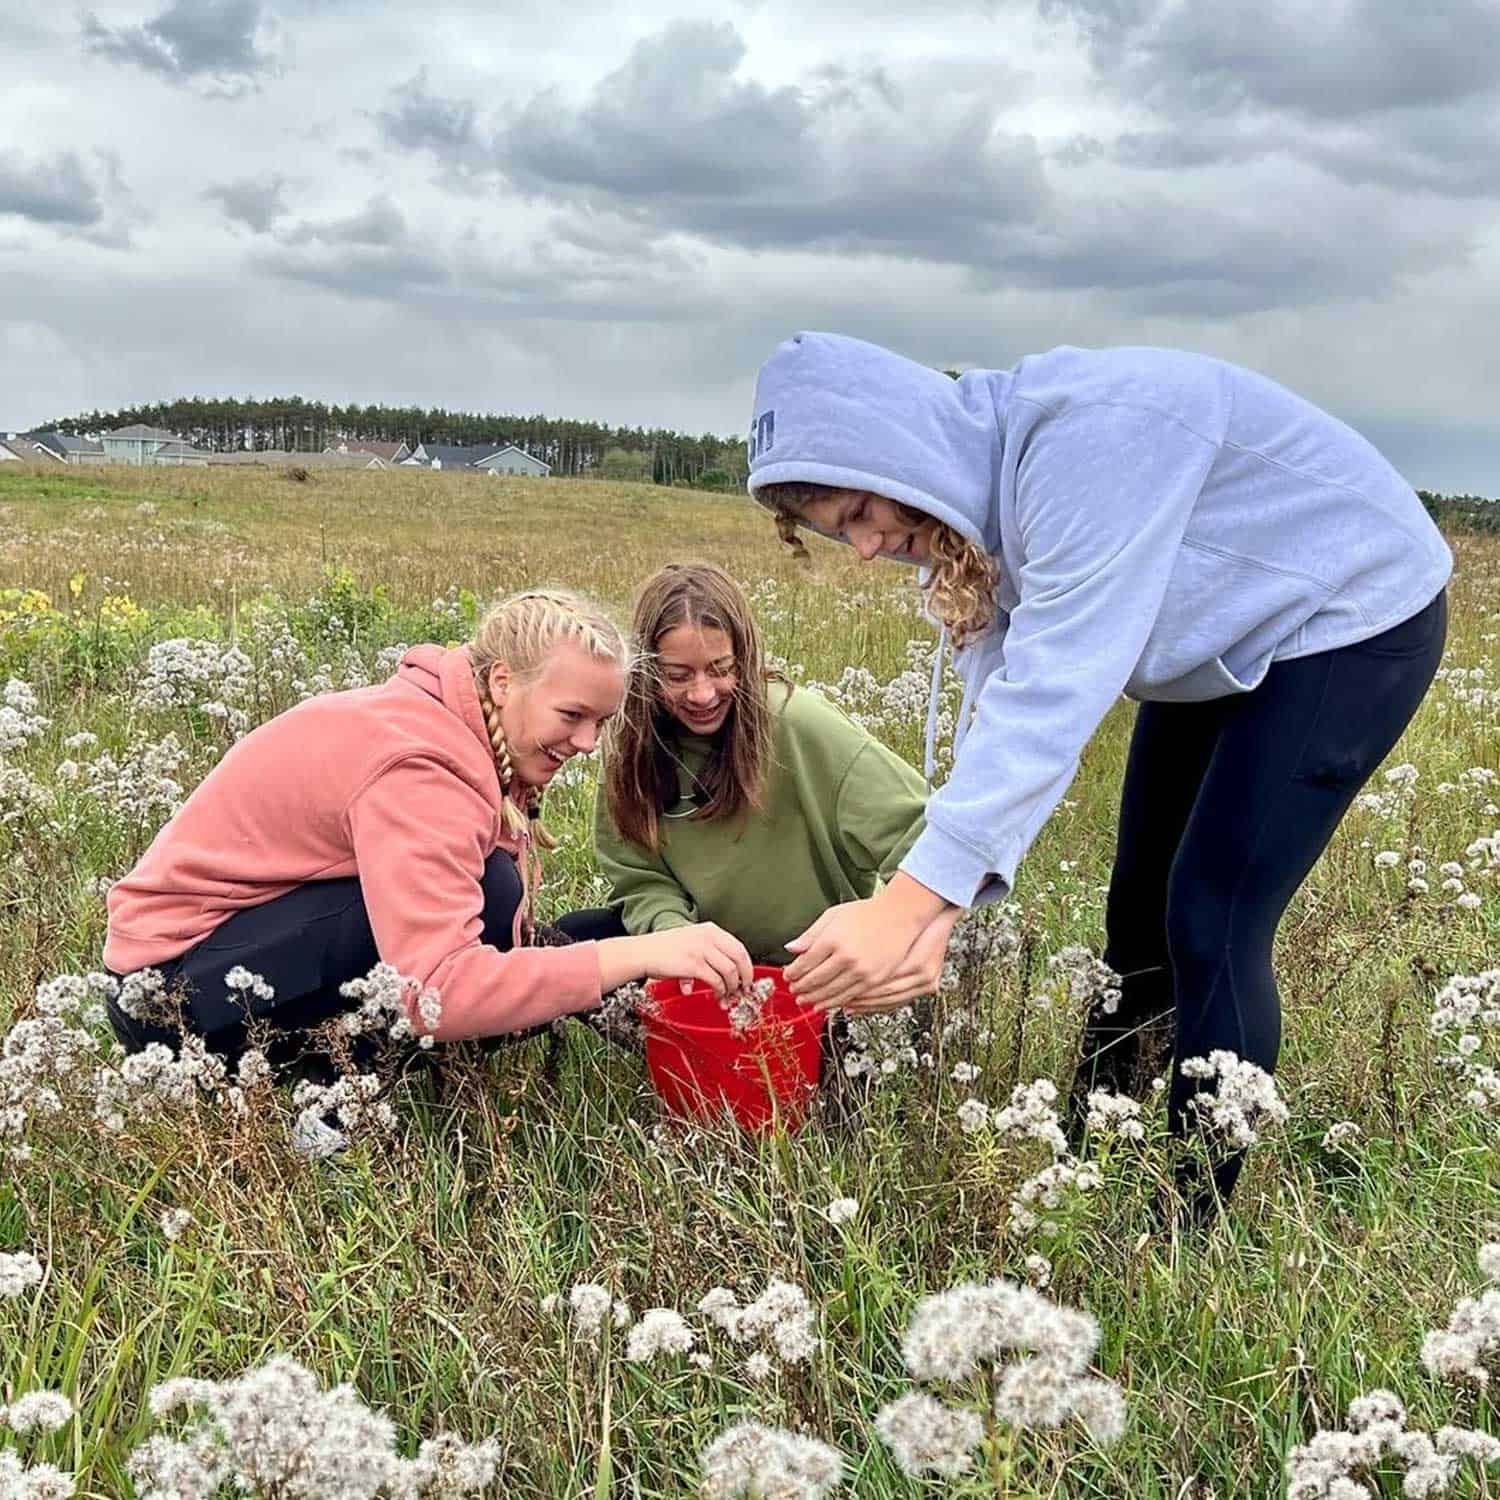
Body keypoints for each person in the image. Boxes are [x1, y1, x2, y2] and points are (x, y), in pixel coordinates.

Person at [746, 331, 1452, 1203]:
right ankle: (1084, 1164)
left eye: (856, 515)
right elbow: (997, 708)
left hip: (1352, 617)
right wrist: (931, 915)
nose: (861, 548)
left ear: (897, 452)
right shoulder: (965, 511)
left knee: (1209, 914)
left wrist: (905, 906)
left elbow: (1055, 693)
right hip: (1224, 639)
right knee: (1137, 914)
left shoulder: (1087, 440)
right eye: (834, 532)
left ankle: (1187, 1223)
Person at [103, 588, 754, 1070]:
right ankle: (328, 1100)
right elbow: (434, 993)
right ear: (504, 682)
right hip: (168, 1002)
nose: (587, 742)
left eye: (601, 723)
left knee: (499, 905)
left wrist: (620, 946)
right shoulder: (418, 766)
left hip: (242, 949)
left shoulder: (465, 728)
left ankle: (342, 1075)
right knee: (492, 900)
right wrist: (631, 957)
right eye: (572, 714)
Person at [594, 561, 929, 970]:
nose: (701, 695)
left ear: (745, 658)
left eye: (720, 670)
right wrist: (672, 934)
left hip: (813, 975)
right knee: (580, 936)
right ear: (646, 671)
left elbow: (921, 835)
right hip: (698, 972)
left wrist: (885, 929)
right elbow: (638, 876)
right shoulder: (630, 744)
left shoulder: (800, 724)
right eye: (677, 676)